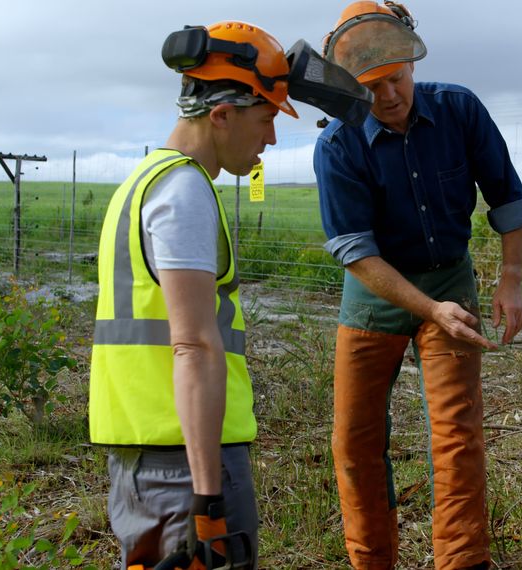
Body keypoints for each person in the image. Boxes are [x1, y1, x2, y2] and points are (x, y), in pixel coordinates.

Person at [89, 21, 370, 570]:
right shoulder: (186, 191)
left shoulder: (141, 181)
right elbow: (193, 346)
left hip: (138, 462)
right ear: (221, 116)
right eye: (265, 120)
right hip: (187, 466)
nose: (269, 138)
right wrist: (207, 498)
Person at [313, 2, 522, 569]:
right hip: (374, 293)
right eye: (372, 86)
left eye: (397, 78)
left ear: (412, 61)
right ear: (350, 86)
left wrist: (511, 280)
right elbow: (356, 252)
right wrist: (428, 309)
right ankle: (371, 561)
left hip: (451, 283)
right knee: (355, 442)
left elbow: (508, 198)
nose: (388, 95)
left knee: (457, 434)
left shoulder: (459, 109)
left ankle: (463, 562)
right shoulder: (337, 144)